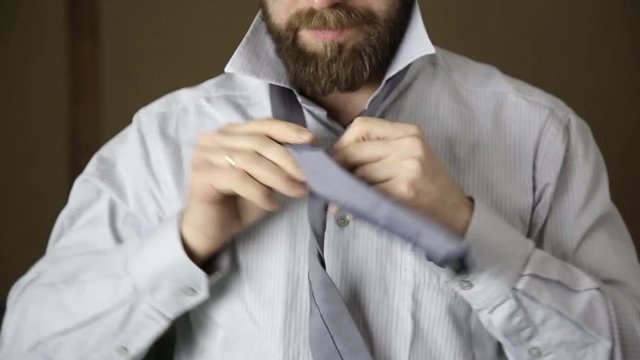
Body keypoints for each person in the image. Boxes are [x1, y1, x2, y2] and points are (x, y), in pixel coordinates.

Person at [1, 0, 639, 358]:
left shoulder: (540, 135)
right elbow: (28, 345)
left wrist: (470, 235)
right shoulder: (165, 136)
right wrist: (186, 243)